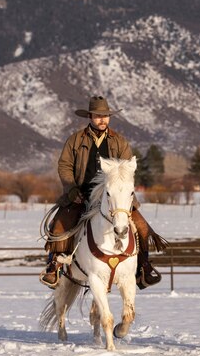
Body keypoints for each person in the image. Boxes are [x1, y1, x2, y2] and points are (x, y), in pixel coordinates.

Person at [40, 96, 166, 289]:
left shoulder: (119, 141)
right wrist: (72, 189)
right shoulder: (75, 140)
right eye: (98, 116)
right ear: (90, 117)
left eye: (105, 116)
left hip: (114, 198)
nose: (102, 120)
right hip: (81, 194)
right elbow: (64, 165)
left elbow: (126, 169)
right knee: (59, 225)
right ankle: (54, 266)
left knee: (142, 227)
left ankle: (144, 268)